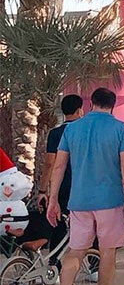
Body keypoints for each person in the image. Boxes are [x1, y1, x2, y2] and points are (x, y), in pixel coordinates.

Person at [46, 88, 124, 285]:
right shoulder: (120, 129)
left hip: (79, 201)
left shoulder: (72, 129)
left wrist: (52, 198)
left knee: (76, 250)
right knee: (108, 251)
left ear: (91, 104)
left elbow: (58, 167)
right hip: (110, 200)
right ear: (112, 106)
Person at [38, 95, 83, 269]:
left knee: (58, 224)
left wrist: (43, 190)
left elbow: (50, 164)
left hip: (62, 185)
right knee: (90, 224)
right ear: (79, 110)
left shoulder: (55, 134)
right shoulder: (84, 131)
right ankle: (94, 266)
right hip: (82, 185)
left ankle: (53, 266)